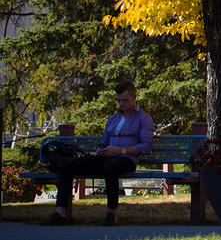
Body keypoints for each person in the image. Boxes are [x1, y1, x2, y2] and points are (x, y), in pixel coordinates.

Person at [43, 80, 154, 227]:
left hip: (126, 159)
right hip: (106, 157)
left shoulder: (143, 118)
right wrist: (101, 149)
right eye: (119, 100)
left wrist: (120, 150)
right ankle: (60, 212)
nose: (122, 104)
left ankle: (111, 213)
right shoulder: (113, 119)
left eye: (125, 100)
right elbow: (104, 141)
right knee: (68, 166)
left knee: (110, 168)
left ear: (134, 98)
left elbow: (146, 146)